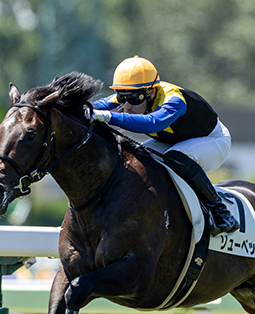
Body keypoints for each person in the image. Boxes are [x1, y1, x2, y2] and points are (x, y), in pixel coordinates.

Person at [88, 55, 239, 236]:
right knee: (138, 158)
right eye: (121, 97)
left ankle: (222, 213)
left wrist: (108, 117)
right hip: (173, 141)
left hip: (214, 140)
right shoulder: (135, 93)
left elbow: (152, 123)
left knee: (177, 158)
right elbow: (96, 106)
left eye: (134, 99)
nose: (127, 105)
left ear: (151, 93)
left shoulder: (174, 100)